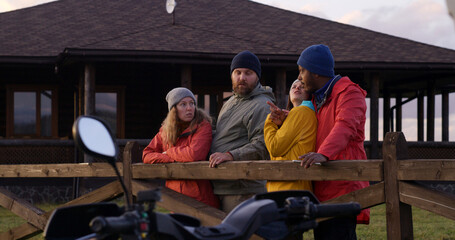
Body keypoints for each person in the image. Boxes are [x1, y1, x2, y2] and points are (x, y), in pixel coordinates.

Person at [296, 44, 370, 240]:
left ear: (316, 72)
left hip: (342, 186)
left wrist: (324, 153)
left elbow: (345, 126)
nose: (300, 77)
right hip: (322, 186)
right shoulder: (317, 99)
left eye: (302, 70)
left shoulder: (349, 94)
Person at [208, 50, 275, 213]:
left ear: (257, 76)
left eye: (248, 73)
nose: (242, 78)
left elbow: (262, 145)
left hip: (243, 190)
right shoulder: (230, 101)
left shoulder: (262, 105)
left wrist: (230, 155)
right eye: (237, 72)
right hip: (224, 184)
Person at [142, 87, 219, 208]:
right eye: (183, 104)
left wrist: (168, 152)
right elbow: (147, 154)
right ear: (174, 109)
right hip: (174, 196)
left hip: (200, 199)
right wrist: (169, 158)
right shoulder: (165, 131)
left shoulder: (203, 126)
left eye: (192, 103)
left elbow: (194, 154)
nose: (189, 108)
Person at [264, 79, 317, 192]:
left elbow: (275, 148)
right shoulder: (305, 114)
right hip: (294, 185)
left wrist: (270, 121)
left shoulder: (301, 112)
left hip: (288, 187)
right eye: (293, 86)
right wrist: (280, 125)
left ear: (309, 93)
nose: (297, 88)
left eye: (302, 86)